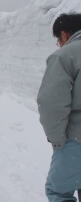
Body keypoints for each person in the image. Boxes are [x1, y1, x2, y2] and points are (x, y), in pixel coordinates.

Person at [37, 13, 81, 202]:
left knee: (58, 192)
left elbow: (51, 103)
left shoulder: (65, 55)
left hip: (77, 138)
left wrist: (57, 140)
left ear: (64, 35)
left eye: (59, 40)